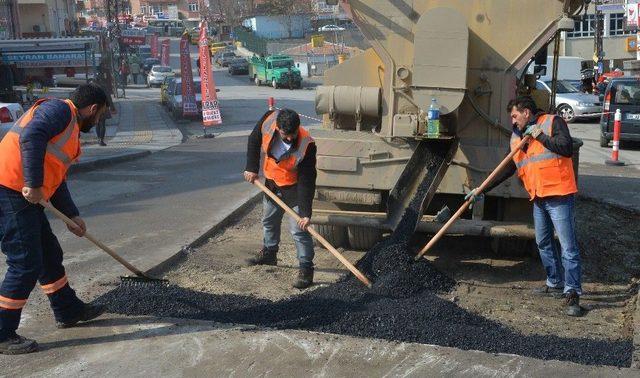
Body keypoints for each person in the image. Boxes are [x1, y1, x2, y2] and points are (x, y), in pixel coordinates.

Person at [0, 83, 109, 354]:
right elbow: (31, 136)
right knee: (25, 262)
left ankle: (67, 310)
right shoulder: (59, 110)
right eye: (100, 116)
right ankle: (2, 332)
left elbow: (57, 178)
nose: (98, 122)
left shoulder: (69, 128)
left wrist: (72, 215)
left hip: (24, 193)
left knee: (49, 254)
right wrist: (34, 183)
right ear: (93, 109)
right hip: (10, 189)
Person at [466, 95, 583, 317]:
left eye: (515, 115)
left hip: (559, 195)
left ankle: (573, 293)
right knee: (543, 242)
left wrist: (539, 135)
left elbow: (566, 147)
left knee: (568, 247)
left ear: (526, 112)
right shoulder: (516, 138)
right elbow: (504, 169)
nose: (513, 121)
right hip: (538, 197)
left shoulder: (552, 122)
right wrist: (480, 190)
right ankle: (554, 282)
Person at [243, 109, 317, 289]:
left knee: (299, 230)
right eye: (286, 134)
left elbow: (308, 179)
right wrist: (251, 168)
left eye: (293, 134)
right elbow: (254, 140)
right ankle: (270, 253)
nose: (290, 138)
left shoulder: (307, 144)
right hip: (271, 183)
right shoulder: (268, 121)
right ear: (278, 128)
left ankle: (306, 268)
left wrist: (306, 213)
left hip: (294, 188)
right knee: (269, 220)